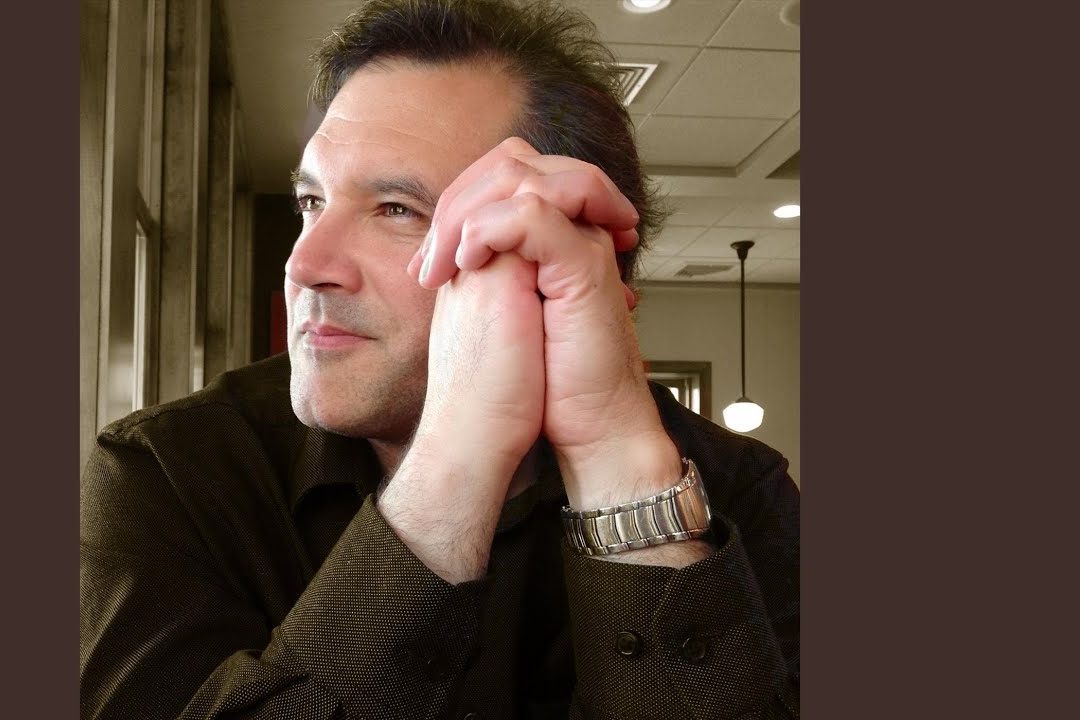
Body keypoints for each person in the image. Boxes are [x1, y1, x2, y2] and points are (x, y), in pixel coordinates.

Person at [80, 1, 800, 718]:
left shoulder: (739, 493)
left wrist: (615, 453)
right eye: (311, 202)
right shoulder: (167, 473)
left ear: (567, 259)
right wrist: (454, 461)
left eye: (398, 209)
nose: (304, 265)